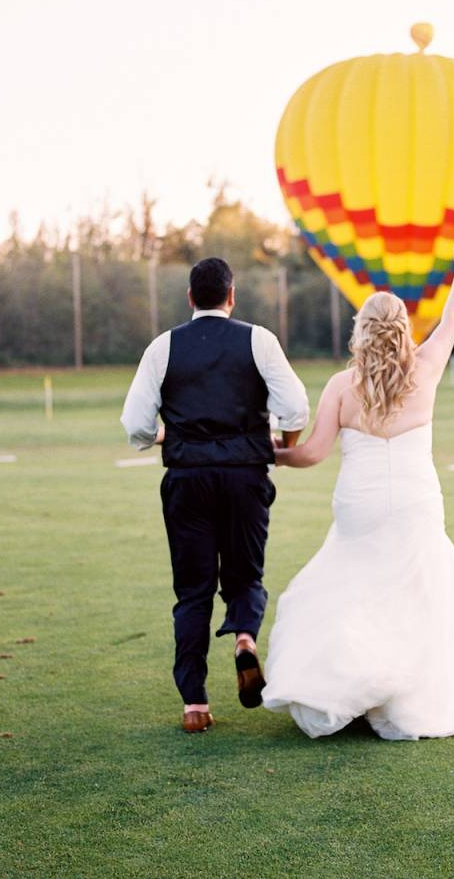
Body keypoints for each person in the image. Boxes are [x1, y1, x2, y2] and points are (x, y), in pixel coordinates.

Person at [261, 244, 454, 740]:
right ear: (403, 329)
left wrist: (268, 454)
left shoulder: (342, 385)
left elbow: (312, 453)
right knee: (420, 595)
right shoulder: (425, 371)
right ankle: (410, 693)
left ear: (361, 329)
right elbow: (451, 319)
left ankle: (353, 690)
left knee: (356, 590)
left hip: (359, 507)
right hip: (415, 502)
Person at [121, 257, 309, 732]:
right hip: (245, 474)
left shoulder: (163, 347)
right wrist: (280, 448)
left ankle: (195, 704)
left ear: (190, 298)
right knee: (246, 575)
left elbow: (136, 425)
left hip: (187, 480)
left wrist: (166, 437)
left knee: (192, 591)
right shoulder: (259, 340)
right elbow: (296, 408)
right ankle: (245, 638)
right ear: (232, 296)